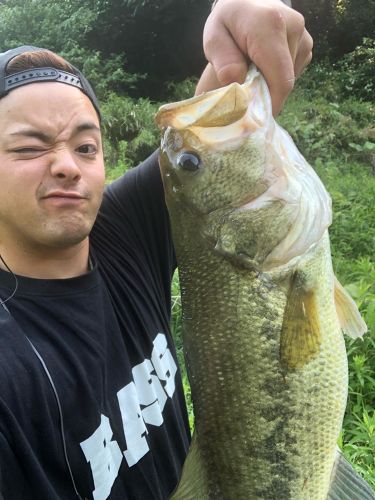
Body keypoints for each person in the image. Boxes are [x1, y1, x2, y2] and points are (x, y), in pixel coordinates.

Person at [0, 0, 312, 498]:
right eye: (29, 147)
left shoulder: (120, 231)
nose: (66, 166)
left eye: (85, 147)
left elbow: (212, 138)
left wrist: (242, 21)